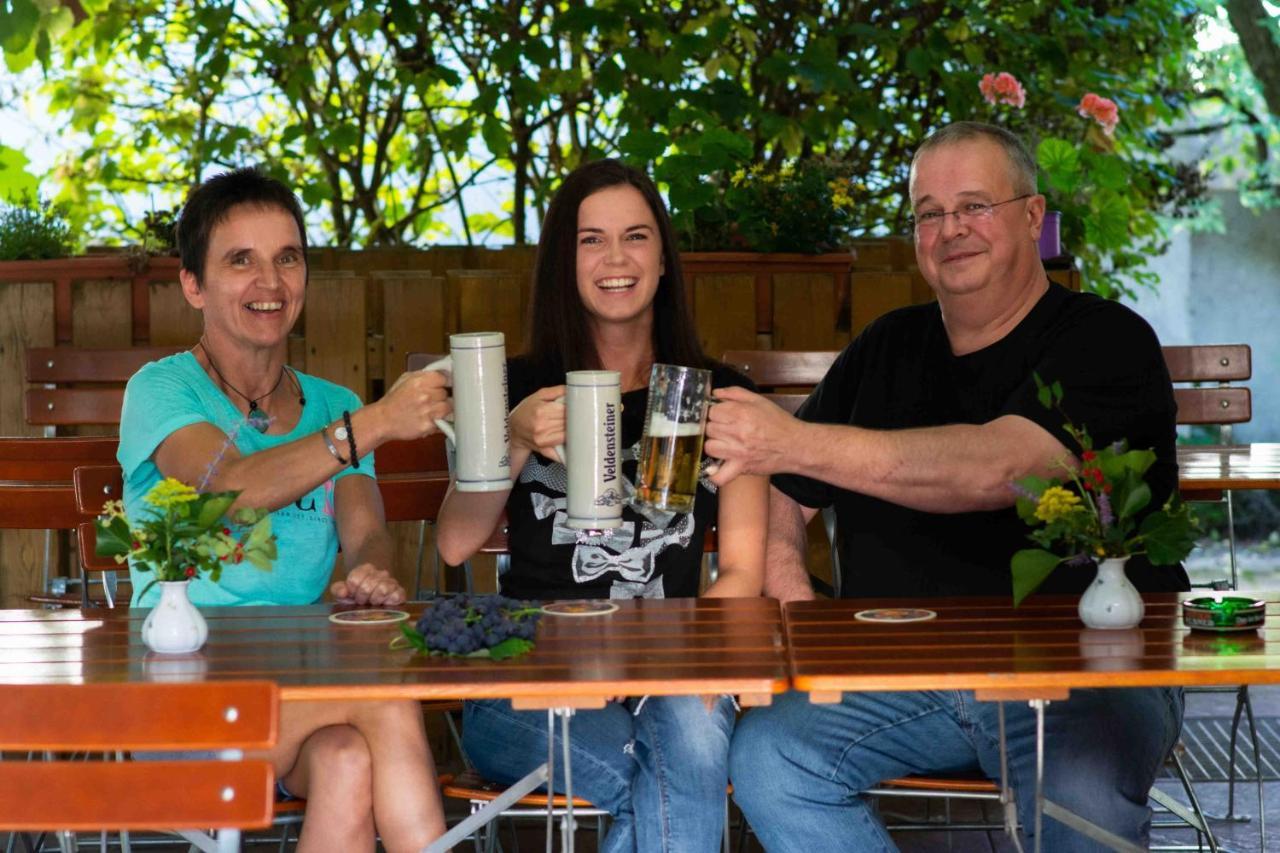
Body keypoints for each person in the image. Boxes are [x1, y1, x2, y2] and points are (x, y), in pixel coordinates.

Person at [705, 122, 1187, 851]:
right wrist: (796, 607)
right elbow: (781, 489)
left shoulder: (1106, 340)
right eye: (929, 213)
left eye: (973, 206)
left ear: (1033, 216)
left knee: (1083, 787)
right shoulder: (885, 346)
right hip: (900, 677)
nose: (950, 229)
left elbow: (1000, 467)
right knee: (769, 755)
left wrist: (793, 439)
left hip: (1079, 673)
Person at [435, 159, 769, 852]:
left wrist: (682, 666)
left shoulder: (718, 398)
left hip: (671, 669)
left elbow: (741, 571)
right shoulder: (516, 388)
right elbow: (455, 543)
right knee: (676, 769)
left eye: (636, 237)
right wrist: (515, 436)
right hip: (525, 673)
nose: (616, 258)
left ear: (664, 259)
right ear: (564, 261)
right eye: (591, 240)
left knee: (687, 741)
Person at [118, 167, 449, 852]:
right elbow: (228, 487)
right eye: (241, 260)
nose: (270, 282)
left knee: (348, 759)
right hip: (179, 695)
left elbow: (365, 534)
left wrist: (370, 575)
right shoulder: (160, 388)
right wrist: (375, 423)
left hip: (300, 686)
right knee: (384, 699)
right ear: (193, 285)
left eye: (287, 258)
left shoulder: (332, 403)